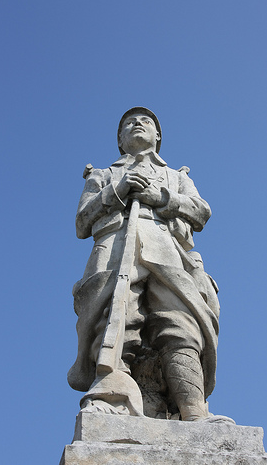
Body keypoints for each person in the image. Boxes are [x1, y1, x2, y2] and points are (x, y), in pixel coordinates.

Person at [68, 107, 221, 421]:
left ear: (158, 136)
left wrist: (162, 197)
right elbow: (82, 223)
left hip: (167, 252)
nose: (137, 123)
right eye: (129, 123)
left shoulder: (176, 176)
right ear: (121, 141)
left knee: (180, 322)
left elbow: (201, 212)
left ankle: (192, 409)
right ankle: (112, 401)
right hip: (114, 250)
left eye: (146, 121)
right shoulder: (103, 175)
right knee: (115, 319)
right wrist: (118, 189)